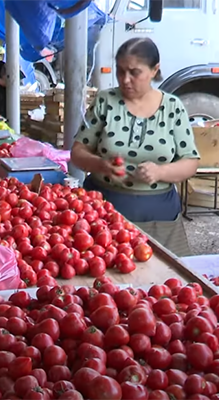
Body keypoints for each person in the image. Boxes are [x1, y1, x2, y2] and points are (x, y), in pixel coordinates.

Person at [71, 37, 199, 256]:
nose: (125, 79)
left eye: (134, 72)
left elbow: (190, 161)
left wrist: (161, 171)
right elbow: (77, 152)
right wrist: (101, 165)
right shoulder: (106, 102)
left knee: (162, 280)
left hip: (159, 218)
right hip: (102, 214)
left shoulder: (172, 108)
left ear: (154, 70)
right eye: (120, 71)